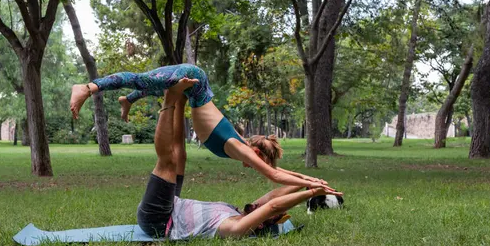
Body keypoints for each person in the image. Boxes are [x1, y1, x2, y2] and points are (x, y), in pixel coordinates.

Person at [136, 80, 343, 239]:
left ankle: (169, 99)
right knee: (180, 155)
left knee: (168, 162)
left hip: (160, 220)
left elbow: (273, 206)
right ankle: (180, 102)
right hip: (173, 205)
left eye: (259, 213)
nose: (258, 207)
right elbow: (273, 197)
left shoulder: (233, 227)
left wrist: (314, 190)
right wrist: (310, 182)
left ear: (259, 222)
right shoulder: (237, 212)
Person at [70, 64, 324, 188]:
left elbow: (278, 170)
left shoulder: (240, 142)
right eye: (257, 162)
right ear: (257, 153)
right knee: (140, 79)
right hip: (196, 79)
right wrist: (312, 184)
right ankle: (88, 87)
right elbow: (275, 175)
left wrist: (308, 177)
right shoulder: (240, 147)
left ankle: (128, 100)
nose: (250, 166)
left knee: (155, 85)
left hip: (194, 89)